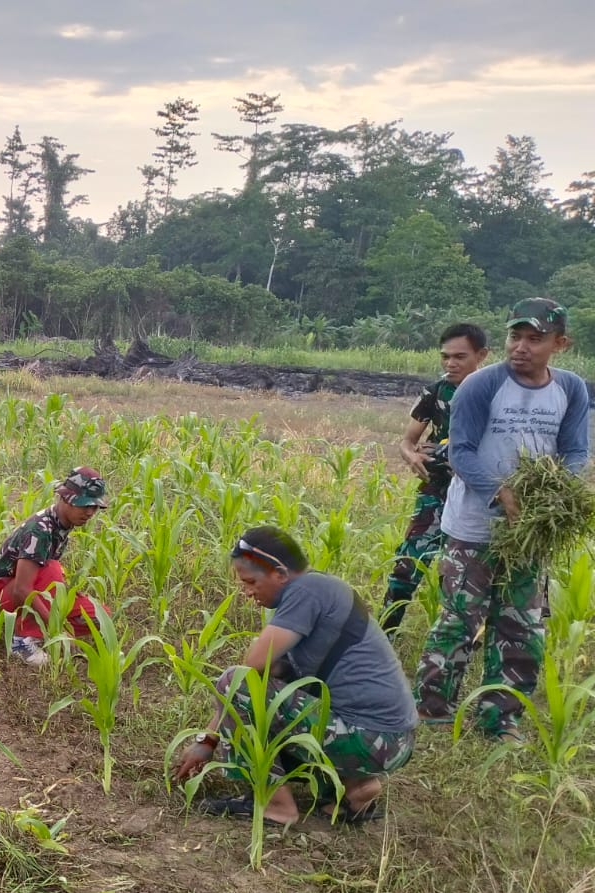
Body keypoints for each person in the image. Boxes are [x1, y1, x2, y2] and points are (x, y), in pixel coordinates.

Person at [412, 299, 591, 739]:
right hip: (473, 525)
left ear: (560, 343)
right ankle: (433, 708)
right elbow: (461, 450)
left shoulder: (570, 388)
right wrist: (501, 493)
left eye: (535, 339)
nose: (521, 347)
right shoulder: (481, 386)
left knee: (520, 625)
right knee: (459, 618)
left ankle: (500, 717)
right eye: (515, 336)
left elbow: (574, 451)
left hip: (529, 532)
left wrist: (550, 493)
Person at [173, 526, 418, 827]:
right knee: (257, 694)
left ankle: (276, 807)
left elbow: (250, 670)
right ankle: (356, 788)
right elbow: (271, 677)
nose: (247, 592)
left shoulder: (307, 591)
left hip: (371, 739)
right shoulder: (324, 589)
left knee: (234, 680)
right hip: (391, 742)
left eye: (250, 582)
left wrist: (210, 740)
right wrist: (209, 739)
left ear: (280, 573)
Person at [379, 323, 490, 634]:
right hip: (436, 489)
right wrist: (412, 456)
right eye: (445, 357)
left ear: (481, 355)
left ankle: (464, 638)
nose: (450, 364)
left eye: (459, 357)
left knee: (462, 574)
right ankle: (385, 634)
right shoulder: (436, 391)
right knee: (407, 564)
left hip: (477, 495)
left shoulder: (494, 394)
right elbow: (407, 441)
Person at [0, 466, 109, 667]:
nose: (90, 512)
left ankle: (36, 629)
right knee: (52, 569)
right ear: (66, 499)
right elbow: (22, 589)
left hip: (25, 591)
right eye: (84, 505)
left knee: (99, 615)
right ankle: (22, 640)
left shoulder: (63, 524)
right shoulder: (40, 530)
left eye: (94, 507)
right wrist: (56, 627)